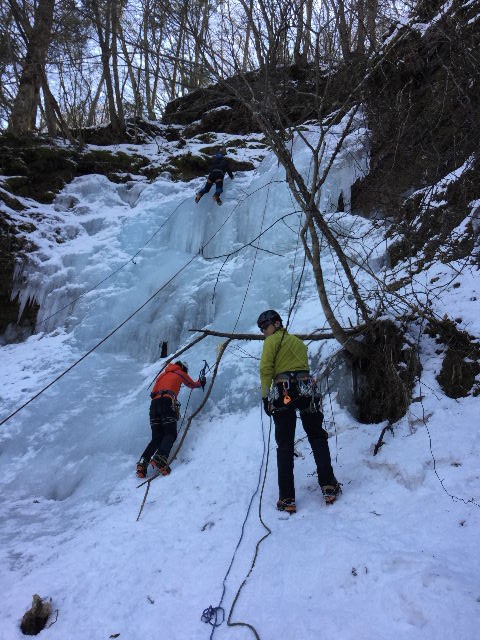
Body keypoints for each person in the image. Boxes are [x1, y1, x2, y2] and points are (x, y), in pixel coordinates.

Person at [258, 310, 341, 513]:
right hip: (306, 390)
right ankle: (328, 485)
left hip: (283, 390)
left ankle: (287, 498)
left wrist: (265, 396)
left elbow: (266, 369)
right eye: (261, 329)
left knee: (285, 445)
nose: (263, 332)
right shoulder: (297, 342)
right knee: (317, 436)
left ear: (276, 324)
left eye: (264, 327)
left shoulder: (271, 342)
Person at [136, 361, 206, 478]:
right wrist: (201, 382)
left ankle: (143, 462)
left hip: (154, 405)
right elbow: (192, 384)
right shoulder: (179, 372)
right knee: (170, 433)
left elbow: (153, 392)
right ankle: (160, 458)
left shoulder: (162, 375)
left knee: (157, 437)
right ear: (183, 368)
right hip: (167, 402)